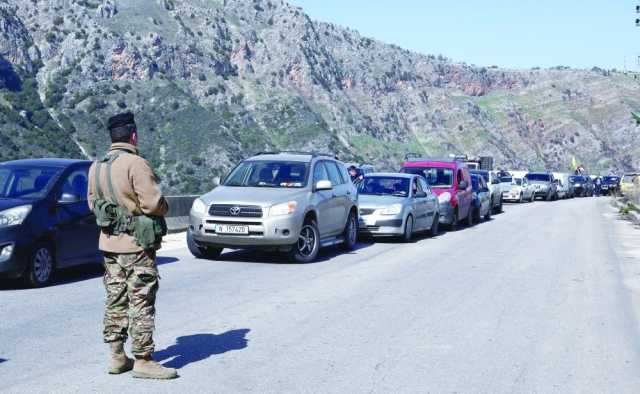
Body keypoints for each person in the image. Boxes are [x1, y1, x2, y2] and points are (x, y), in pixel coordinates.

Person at [87, 112, 177, 380]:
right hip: (137, 246)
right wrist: (163, 207)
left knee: (115, 298)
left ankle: (116, 356)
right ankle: (143, 359)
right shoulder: (136, 164)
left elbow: (92, 203)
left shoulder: (97, 167)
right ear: (133, 136)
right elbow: (151, 203)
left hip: (109, 245)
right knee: (141, 300)